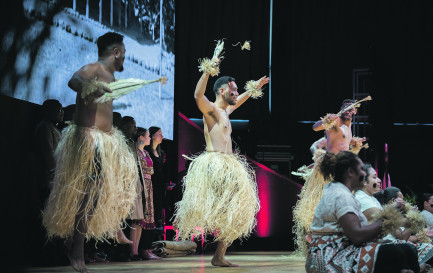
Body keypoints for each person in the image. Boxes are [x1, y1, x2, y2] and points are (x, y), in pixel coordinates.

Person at [42, 32, 165, 273]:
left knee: (106, 193)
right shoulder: (95, 68)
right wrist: (92, 87)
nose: (125, 58)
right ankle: (76, 250)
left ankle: (110, 231)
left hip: (104, 142)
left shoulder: (107, 75)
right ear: (116, 52)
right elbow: (74, 81)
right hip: (90, 141)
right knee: (87, 199)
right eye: (124, 53)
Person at [173, 52, 268, 266]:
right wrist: (208, 70)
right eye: (233, 90)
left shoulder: (226, 111)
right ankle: (187, 223)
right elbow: (198, 95)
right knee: (220, 208)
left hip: (229, 165)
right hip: (215, 164)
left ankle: (219, 255)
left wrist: (253, 89)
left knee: (237, 209)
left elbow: (240, 101)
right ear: (223, 91)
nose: (236, 93)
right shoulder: (213, 110)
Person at [306, 151, 420, 273]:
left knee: (404, 249)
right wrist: (390, 217)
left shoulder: (338, 191)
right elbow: (357, 236)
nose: (364, 173)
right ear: (350, 172)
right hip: (332, 257)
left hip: (339, 251)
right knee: (398, 252)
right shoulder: (341, 195)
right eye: (361, 169)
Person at [293, 99, 367, 254]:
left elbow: (343, 142)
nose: (348, 111)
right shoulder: (335, 121)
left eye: (351, 109)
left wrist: (355, 142)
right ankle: (313, 235)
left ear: (355, 111)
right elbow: (315, 127)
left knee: (337, 206)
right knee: (320, 203)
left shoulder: (348, 125)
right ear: (341, 109)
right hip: (329, 170)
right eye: (346, 108)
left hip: (342, 171)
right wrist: (325, 121)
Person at [135, 127, 161, 260]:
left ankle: (148, 248)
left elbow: (152, 171)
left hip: (149, 186)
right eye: (147, 136)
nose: (149, 138)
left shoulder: (146, 152)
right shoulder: (136, 153)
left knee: (150, 217)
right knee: (142, 218)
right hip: (141, 186)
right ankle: (141, 249)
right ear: (140, 137)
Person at [146, 126, 167, 229]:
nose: (162, 136)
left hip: (160, 186)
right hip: (151, 185)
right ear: (152, 136)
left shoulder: (161, 153)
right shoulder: (147, 152)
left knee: (158, 208)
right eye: (159, 134)